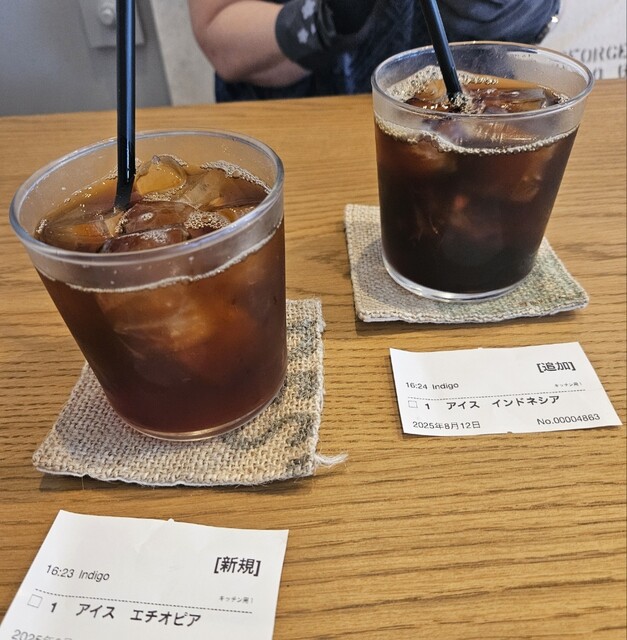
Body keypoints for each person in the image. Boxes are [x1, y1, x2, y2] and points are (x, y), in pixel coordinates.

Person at [188, 0, 561, 102]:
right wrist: (329, 17)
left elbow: (520, 23)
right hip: (298, 134)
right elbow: (221, 36)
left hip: (469, 123)